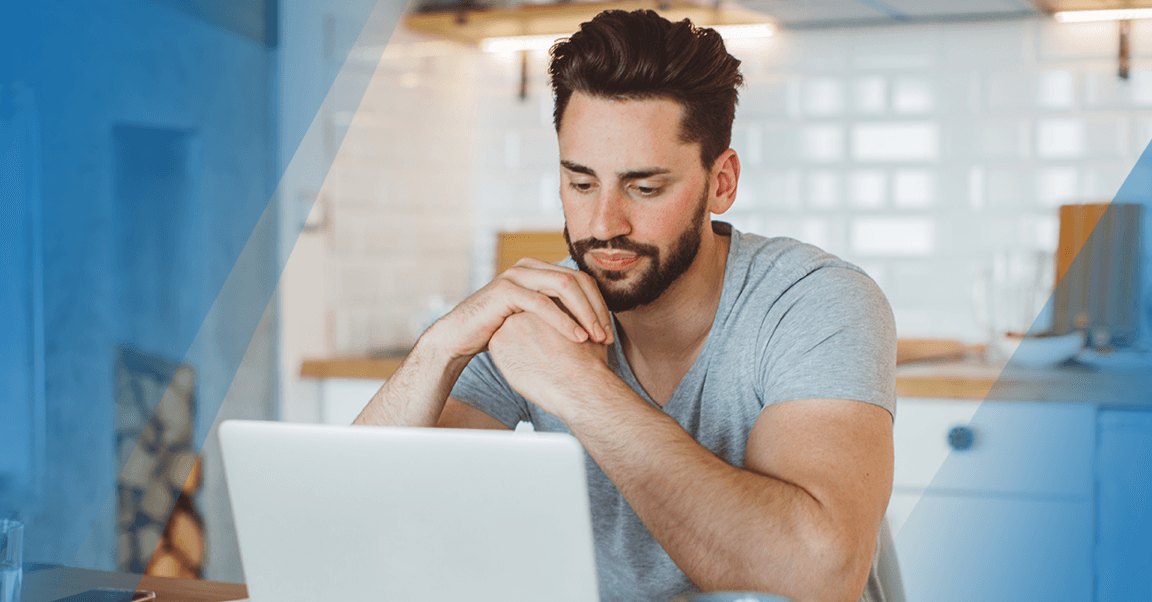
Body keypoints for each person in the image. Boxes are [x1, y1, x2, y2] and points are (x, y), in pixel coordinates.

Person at [355, 9, 896, 602]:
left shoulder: (814, 301)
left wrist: (578, 389)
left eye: (645, 187)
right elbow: (353, 522)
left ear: (721, 182)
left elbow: (818, 574)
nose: (604, 225)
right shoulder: (543, 309)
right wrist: (443, 344)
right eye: (581, 184)